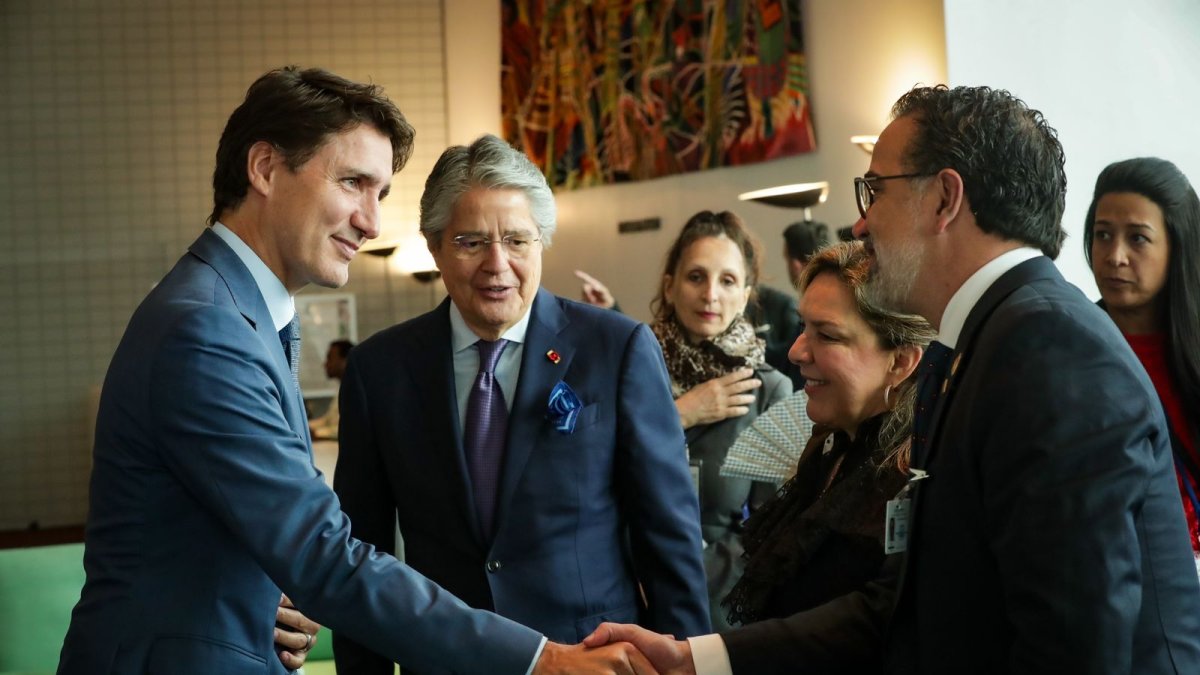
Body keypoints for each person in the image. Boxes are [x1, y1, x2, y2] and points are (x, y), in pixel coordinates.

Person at [58, 67, 656, 675]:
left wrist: (264, 596)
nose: (371, 223)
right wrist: (542, 660)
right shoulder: (207, 328)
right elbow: (325, 554)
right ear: (264, 168)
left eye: (381, 196)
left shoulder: (236, 313)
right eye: (352, 183)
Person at [588, 84, 1200, 674]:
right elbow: (908, 598)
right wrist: (701, 660)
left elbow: (1073, 645)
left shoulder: (1047, 348)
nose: (859, 224)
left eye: (874, 191)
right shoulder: (988, 337)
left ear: (944, 199)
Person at [331, 133, 711, 674]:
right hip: (447, 661)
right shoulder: (380, 371)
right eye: (470, 242)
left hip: (593, 660)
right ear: (435, 246)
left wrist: (685, 664)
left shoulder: (616, 349)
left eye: (516, 240)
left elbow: (668, 537)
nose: (497, 264)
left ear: (542, 243)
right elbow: (359, 555)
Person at [644, 210, 791, 630]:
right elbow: (592, 477)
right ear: (670, 288)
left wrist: (685, 580)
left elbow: (773, 529)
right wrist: (680, 414)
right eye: (695, 277)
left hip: (717, 612)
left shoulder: (771, 391)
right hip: (623, 599)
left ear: (745, 295)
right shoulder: (629, 374)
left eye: (727, 281)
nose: (710, 294)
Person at [1084, 157, 1200, 561]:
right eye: (1102, 235)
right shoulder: (1070, 346)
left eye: (1137, 238)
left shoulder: (1191, 352)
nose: (1115, 256)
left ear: (1177, 245)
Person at [309, 339, 354, 439]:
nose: (325, 364)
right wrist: (305, 427)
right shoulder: (342, 389)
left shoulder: (355, 392)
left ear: (345, 360)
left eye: (330, 358)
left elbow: (347, 429)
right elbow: (327, 420)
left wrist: (316, 433)